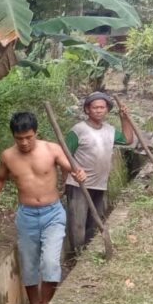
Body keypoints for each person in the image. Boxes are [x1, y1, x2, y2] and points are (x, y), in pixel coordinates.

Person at [0, 112, 87, 304]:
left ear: (36, 133)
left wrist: (79, 173)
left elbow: (71, 168)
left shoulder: (51, 149)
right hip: (26, 216)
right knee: (29, 267)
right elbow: (0, 177)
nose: (25, 142)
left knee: (51, 263)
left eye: (29, 137)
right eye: (19, 138)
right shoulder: (8, 156)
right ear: (13, 137)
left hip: (53, 213)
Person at [63, 92, 135, 254]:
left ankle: (87, 253)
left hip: (99, 184)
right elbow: (64, 157)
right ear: (87, 110)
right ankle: (77, 254)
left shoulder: (109, 131)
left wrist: (124, 119)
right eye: (94, 107)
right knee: (78, 223)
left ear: (107, 110)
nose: (99, 110)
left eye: (102, 107)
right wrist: (65, 180)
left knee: (94, 221)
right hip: (78, 184)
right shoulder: (78, 130)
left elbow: (128, 140)